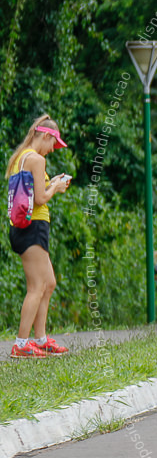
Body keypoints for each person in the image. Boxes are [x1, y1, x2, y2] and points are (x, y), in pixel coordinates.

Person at [6, 114, 72, 358]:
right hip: (32, 226)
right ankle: (21, 344)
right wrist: (55, 186)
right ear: (46, 136)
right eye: (53, 144)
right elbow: (41, 198)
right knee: (36, 287)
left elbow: (34, 192)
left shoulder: (22, 157)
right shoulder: (36, 159)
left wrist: (50, 183)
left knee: (49, 282)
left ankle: (41, 339)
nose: (53, 150)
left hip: (28, 226)